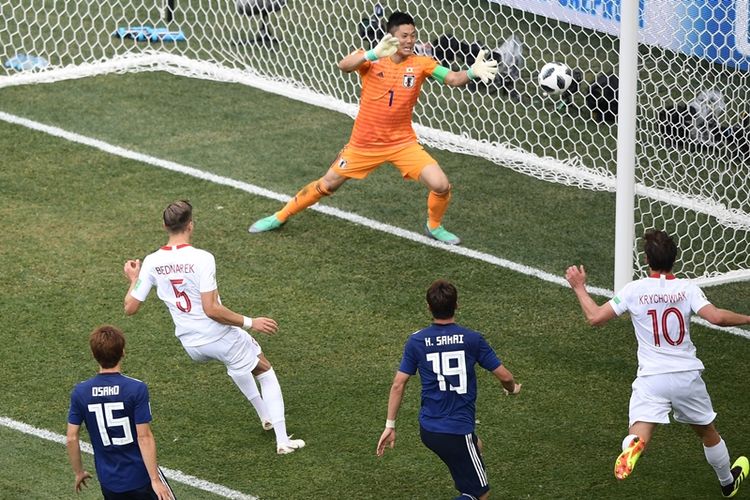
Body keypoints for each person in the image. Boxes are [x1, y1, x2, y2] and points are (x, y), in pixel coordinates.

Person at [248, 11, 499, 245]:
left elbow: (454, 79)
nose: (410, 40)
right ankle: (280, 216)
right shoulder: (372, 58)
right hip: (364, 145)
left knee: (441, 185)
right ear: (391, 36)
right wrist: (372, 53)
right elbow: (344, 65)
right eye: (404, 36)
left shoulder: (422, 63)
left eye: (413, 35)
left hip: (402, 144)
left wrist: (473, 72)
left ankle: (434, 226)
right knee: (328, 185)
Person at [565, 229, 750, 497]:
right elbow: (717, 318)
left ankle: (633, 446)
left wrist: (579, 287)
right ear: (674, 258)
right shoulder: (686, 289)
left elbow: (595, 317)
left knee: (639, 428)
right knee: (708, 432)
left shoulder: (634, 290)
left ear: (646, 260)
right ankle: (727, 482)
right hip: (686, 376)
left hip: (652, 378)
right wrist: (747, 318)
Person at [123, 200, 304, 455]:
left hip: (191, 344)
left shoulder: (152, 262)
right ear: (191, 225)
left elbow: (130, 307)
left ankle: (266, 416)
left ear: (164, 226)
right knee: (263, 369)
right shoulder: (202, 258)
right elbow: (211, 309)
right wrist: (252, 322)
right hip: (216, 335)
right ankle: (283, 441)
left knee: (239, 359)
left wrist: (133, 279)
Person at [376, 280, 521, 499]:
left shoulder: (417, 341)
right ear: (457, 305)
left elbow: (398, 383)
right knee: (479, 494)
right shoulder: (472, 339)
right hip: (455, 431)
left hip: (429, 429)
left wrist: (390, 425)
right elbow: (505, 376)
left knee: (476, 445)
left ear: (428, 307)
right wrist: (512, 388)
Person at [66, 325, 174, 499]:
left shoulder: (81, 392)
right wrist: (154, 479)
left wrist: (78, 472)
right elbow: (144, 437)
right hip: (141, 478)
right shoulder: (136, 388)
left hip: (110, 483)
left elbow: (71, 437)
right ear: (123, 352)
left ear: (94, 355)